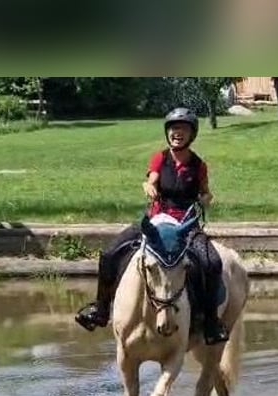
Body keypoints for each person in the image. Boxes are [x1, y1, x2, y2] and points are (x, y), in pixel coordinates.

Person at [74, 107, 230, 345]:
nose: (177, 133)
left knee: (212, 262)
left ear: (192, 134)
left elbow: (207, 193)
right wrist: (148, 187)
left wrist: (205, 199)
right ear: (168, 133)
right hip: (156, 222)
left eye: (183, 129)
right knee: (109, 254)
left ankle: (210, 322)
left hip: (186, 225)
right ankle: (101, 310)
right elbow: (151, 181)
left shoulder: (199, 165)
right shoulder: (160, 158)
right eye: (174, 129)